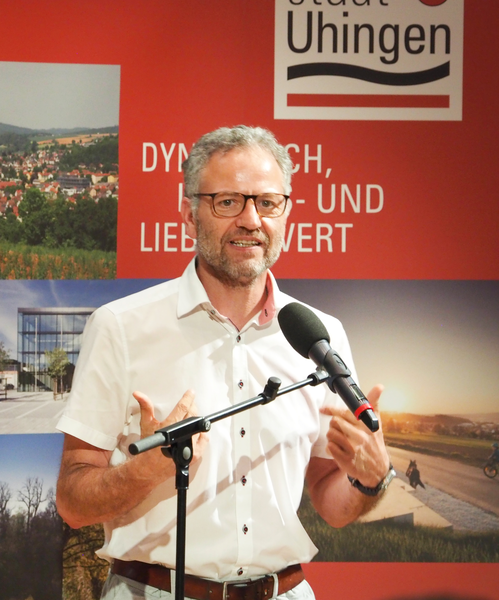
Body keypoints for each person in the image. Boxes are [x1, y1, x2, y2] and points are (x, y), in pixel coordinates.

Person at [55, 125, 392, 600]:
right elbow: (71, 501)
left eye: (268, 202)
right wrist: (145, 471)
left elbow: (331, 504)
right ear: (188, 213)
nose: (251, 220)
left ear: (286, 213)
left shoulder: (322, 335)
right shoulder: (120, 326)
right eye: (228, 202)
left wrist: (369, 480)